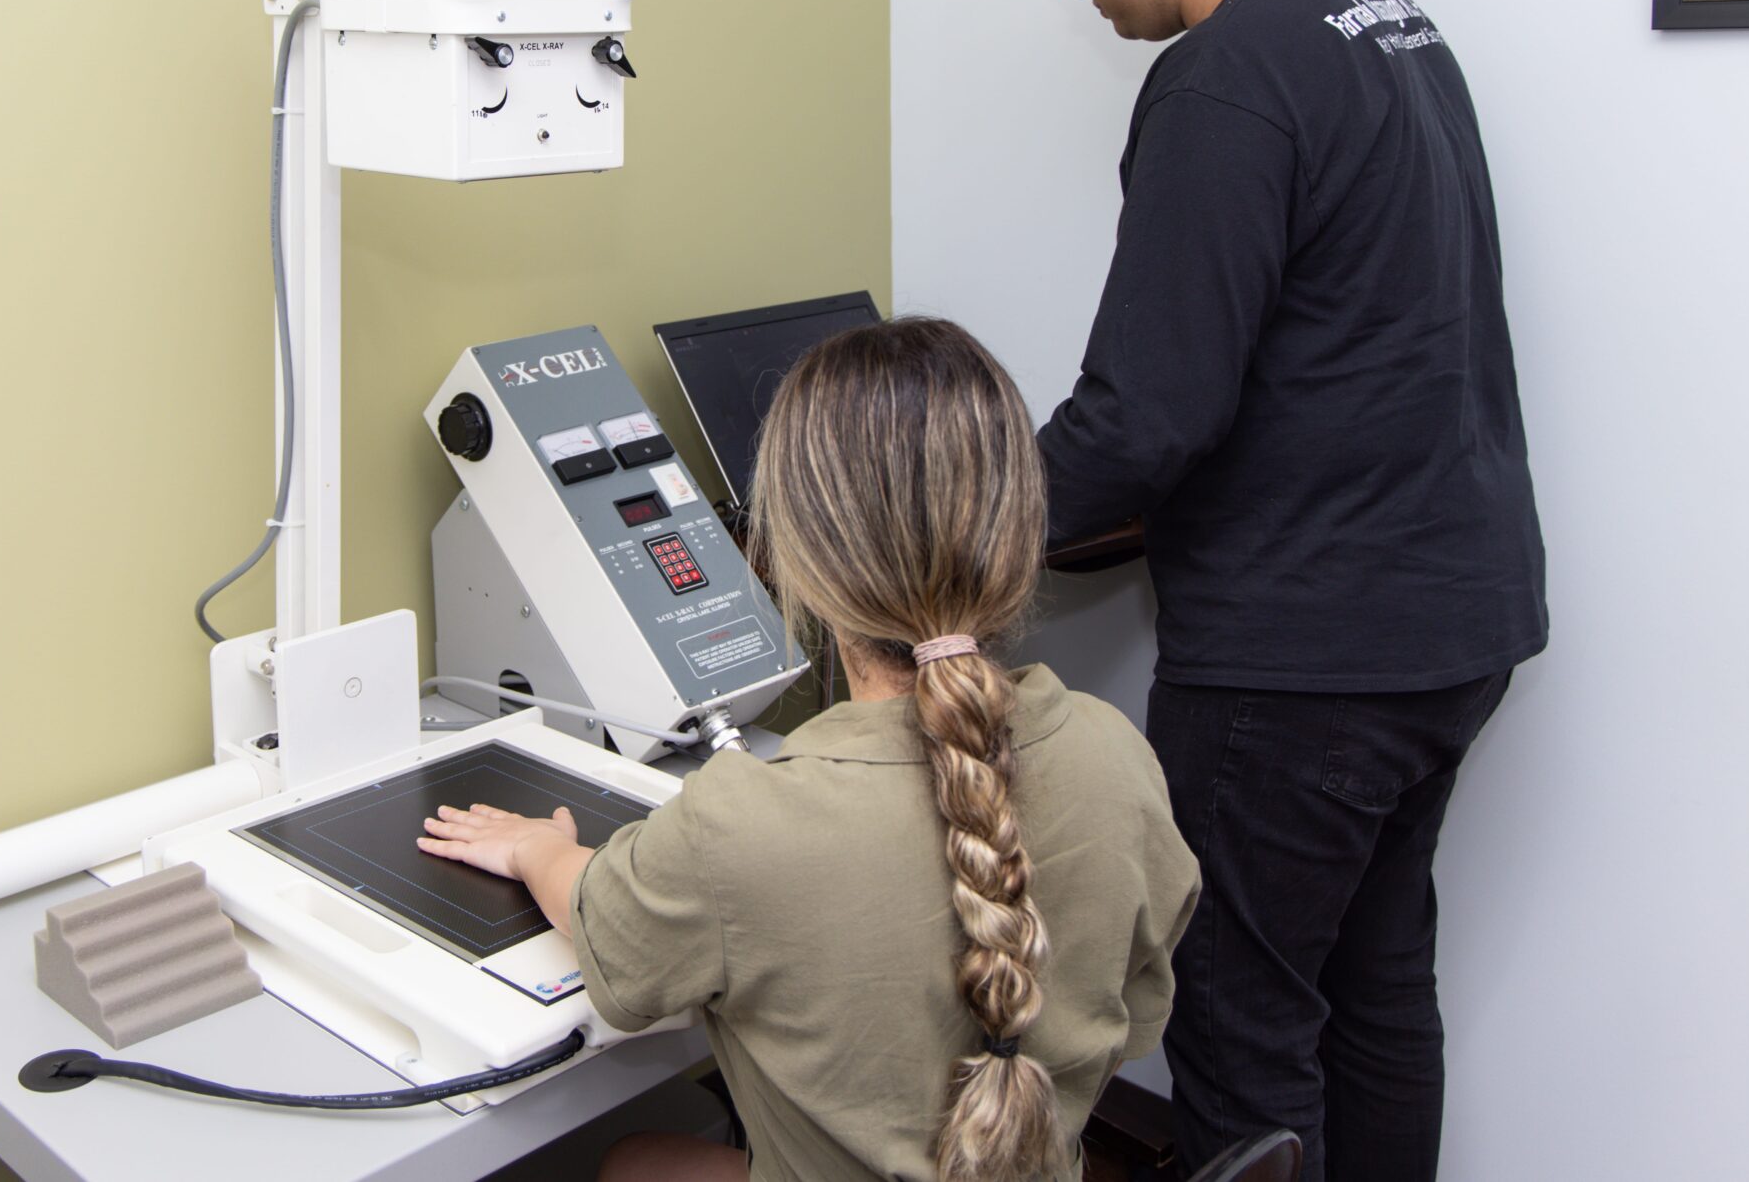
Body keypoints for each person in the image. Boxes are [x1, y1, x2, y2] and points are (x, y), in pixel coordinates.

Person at [1023, 0, 1548, 1182]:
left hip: (1308, 661)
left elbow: (1148, 415)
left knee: (1248, 1032)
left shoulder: (1223, 78)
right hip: (1454, 618)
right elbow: (1336, 337)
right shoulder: (1386, 20)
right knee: (1375, 993)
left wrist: (955, 522)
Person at [418, 317, 1200, 1182]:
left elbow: (605, 922)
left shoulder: (744, 825)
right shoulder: (1116, 756)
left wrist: (537, 848)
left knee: (631, 1163)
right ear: (1021, 527)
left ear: (795, 552)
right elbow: (1128, 1018)